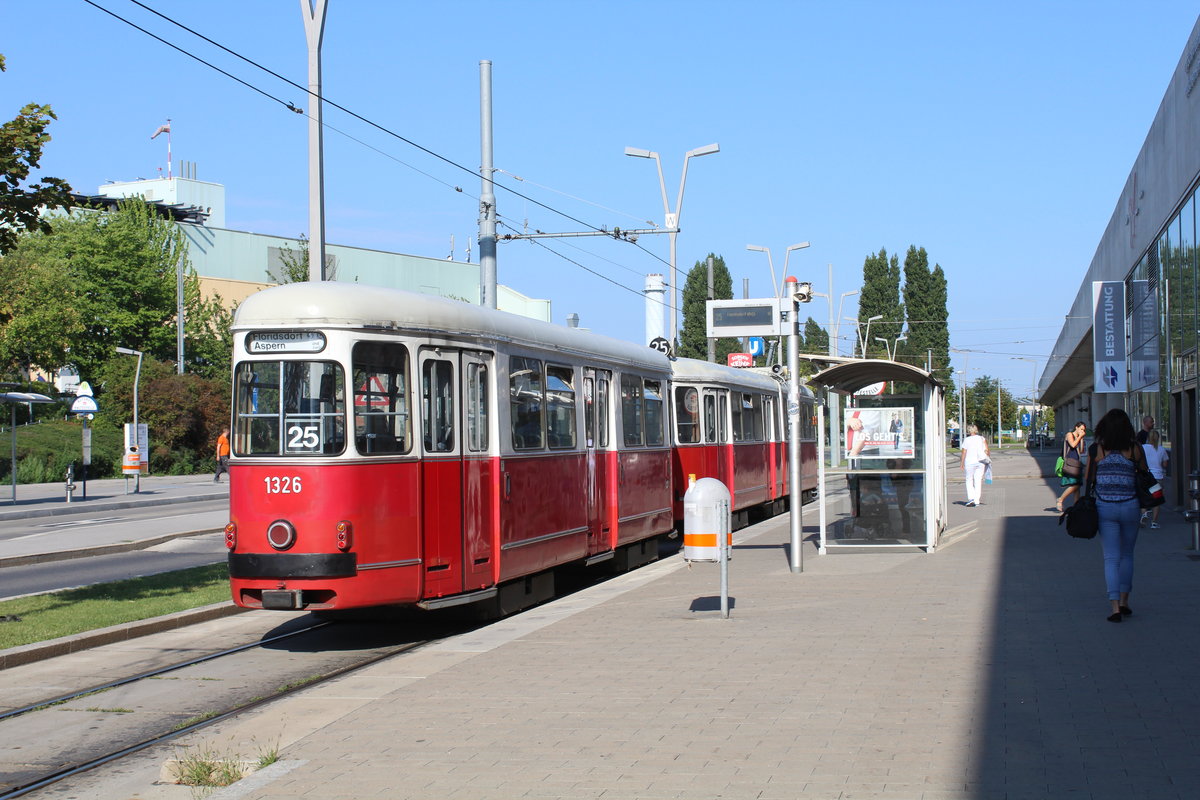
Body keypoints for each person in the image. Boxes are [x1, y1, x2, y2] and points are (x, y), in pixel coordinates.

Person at [1084, 408, 1148, 623]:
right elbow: (1145, 474)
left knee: (1111, 558)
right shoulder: (1135, 449)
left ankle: (1114, 608)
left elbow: (1089, 478)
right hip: (1131, 505)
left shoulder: (1097, 450)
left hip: (1105, 507)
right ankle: (1124, 601)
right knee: (1127, 555)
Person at [1056, 421, 1087, 512]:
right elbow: (1072, 445)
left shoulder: (1079, 437)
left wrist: (1081, 439)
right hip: (1069, 462)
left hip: (1076, 463)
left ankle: (1076, 507)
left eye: (1083, 430)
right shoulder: (1069, 434)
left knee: (1077, 487)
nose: (1082, 431)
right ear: (1076, 428)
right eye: (1081, 429)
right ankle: (1060, 499)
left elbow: (1081, 451)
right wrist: (1079, 437)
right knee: (1075, 485)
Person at [1140, 429, 1169, 529]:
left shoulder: (1143, 448)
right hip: (1157, 477)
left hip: (1145, 476)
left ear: (1148, 438)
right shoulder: (1161, 449)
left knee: (1144, 497)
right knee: (1157, 500)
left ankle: (1144, 514)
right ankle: (1154, 522)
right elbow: (1165, 464)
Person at [959, 423, 990, 507]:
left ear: (968, 431)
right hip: (980, 462)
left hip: (969, 462)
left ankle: (971, 498)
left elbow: (964, 452)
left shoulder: (967, 440)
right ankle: (977, 500)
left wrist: (962, 463)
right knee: (978, 480)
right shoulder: (981, 438)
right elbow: (987, 450)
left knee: (969, 479)